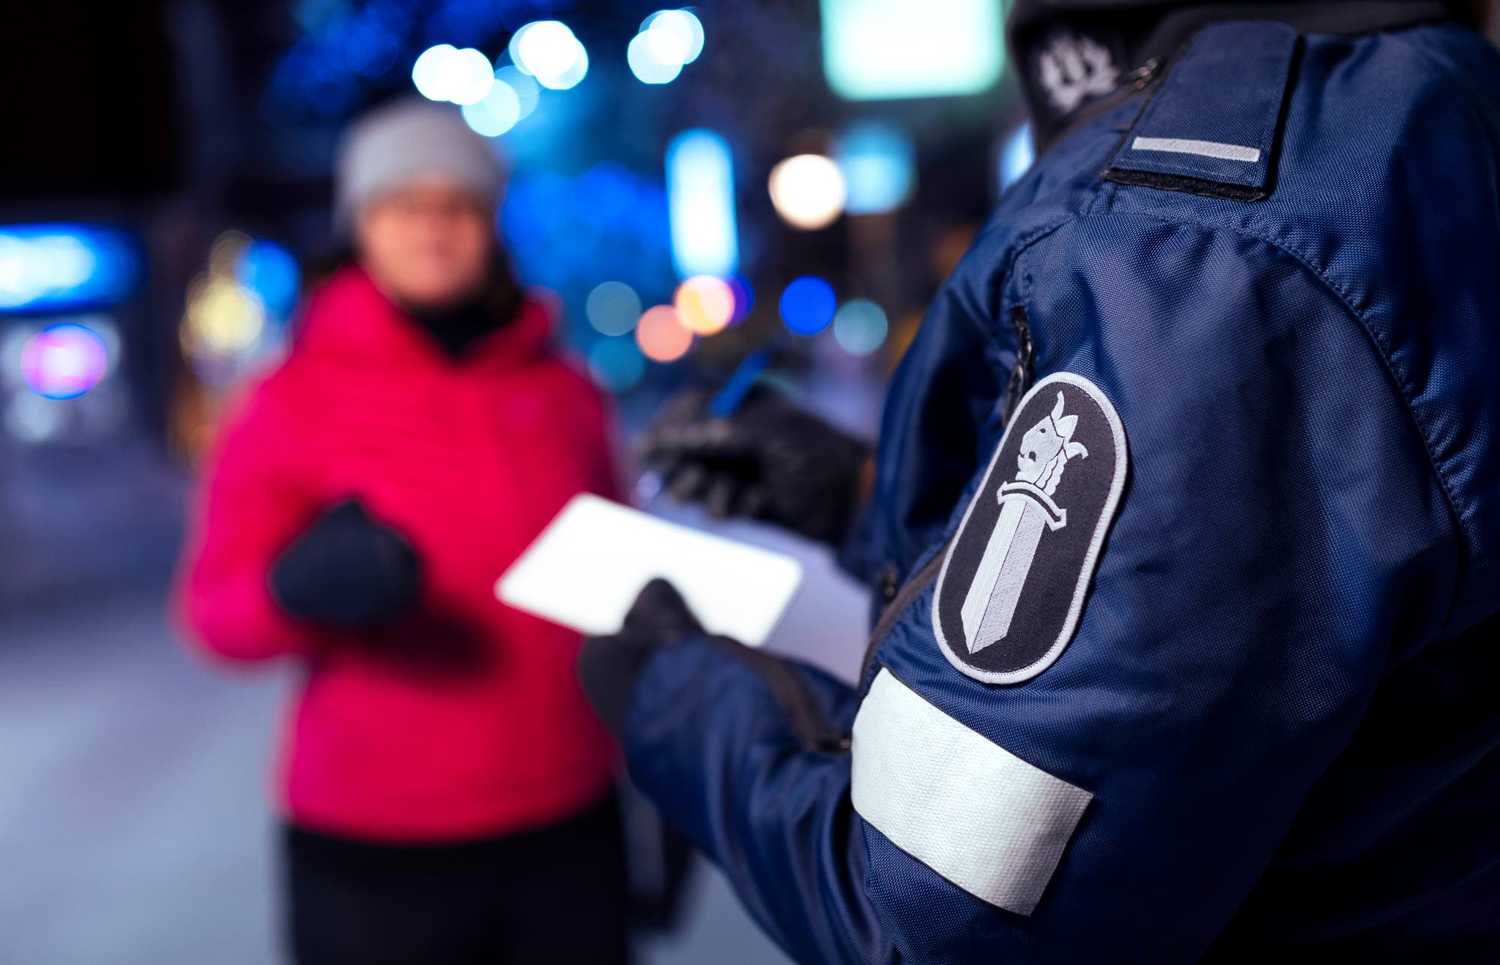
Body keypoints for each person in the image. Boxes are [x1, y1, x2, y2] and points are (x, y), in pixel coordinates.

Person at [577, 1, 1500, 961]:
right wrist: (862, 494)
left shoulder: (1197, 241)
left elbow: (944, 912)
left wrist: (676, 693)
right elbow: (1279, 564)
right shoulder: (1416, 113)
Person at [176, 100, 628, 965]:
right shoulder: (288, 399)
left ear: (490, 225)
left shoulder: (564, 389)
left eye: (457, 204)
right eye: (401, 204)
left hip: (570, 811)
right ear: (361, 227)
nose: (433, 228)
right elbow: (212, 614)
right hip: (374, 840)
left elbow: (617, 577)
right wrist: (291, 589)